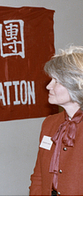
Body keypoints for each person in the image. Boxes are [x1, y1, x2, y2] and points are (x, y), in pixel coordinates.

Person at [30, 45, 83, 196]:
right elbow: (39, 175)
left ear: (76, 84)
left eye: (56, 81)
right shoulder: (50, 123)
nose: (48, 86)